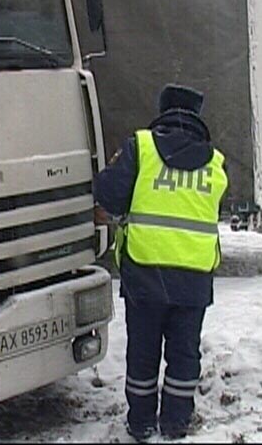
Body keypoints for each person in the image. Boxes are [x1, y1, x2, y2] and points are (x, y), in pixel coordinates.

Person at [94, 84, 229, 441]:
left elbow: (108, 194)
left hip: (145, 272)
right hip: (195, 276)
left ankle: (140, 423)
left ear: (163, 112)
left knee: (143, 351)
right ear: (196, 118)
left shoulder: (141, 149)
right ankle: (176, 422)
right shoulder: (215, 162)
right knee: (185, 354)